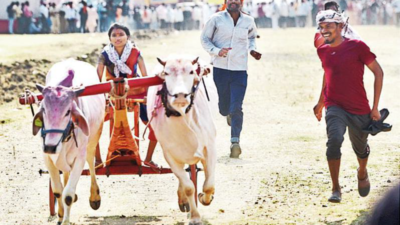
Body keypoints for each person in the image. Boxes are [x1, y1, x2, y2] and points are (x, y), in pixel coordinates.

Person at [313, 9, 384, 203]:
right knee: (334, 140)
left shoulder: (358, 47)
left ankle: (362, 172)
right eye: (321, 27)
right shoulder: (322, 50)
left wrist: (375, 108)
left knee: (360, 149)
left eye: (329, 26)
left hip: (359, 107)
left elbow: (378, 72)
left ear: (341, 26)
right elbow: (328, 75)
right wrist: (321, 102)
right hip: (334, 104)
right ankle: (336, 188)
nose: (324, 30)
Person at [201, 0, 262, 158]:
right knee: (223, 108)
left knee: (237, 107)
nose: (233, 1)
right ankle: (227, 113)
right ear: (226, 2)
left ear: (241, 2)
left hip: (240, 70)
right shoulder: (216, 19)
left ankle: (235, 142)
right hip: (220, 69)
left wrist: (253, 50)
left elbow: (252, 38)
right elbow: (205, 39)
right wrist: (216, 51)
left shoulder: (248, 21)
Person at [96, 23, 159, 169]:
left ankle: (148, 158)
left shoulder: (136, 52)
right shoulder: (104, 55)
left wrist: (150, 95)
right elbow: (97, 78)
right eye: (114, 35)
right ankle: (98, 160)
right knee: (93, 125)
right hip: (112, 93)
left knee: (153, 125)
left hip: (137, 91)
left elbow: (145, 76)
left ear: (127, 37)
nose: (117, 38)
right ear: (110, 38)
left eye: (121, 34)